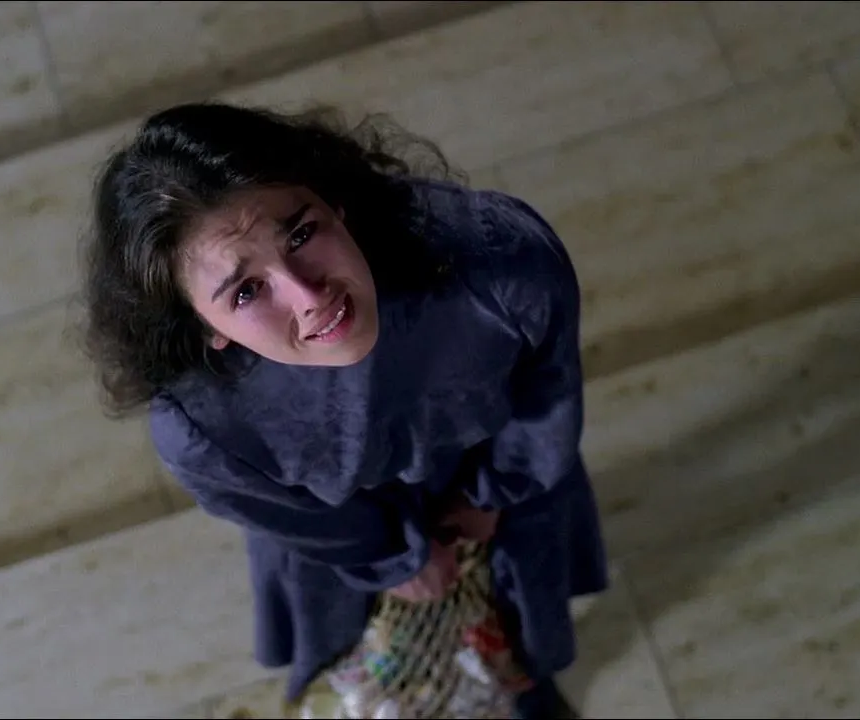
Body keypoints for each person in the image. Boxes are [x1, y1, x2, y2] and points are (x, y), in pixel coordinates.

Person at [79, 101, 609, 719]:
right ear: (205, 328)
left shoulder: (497, 263)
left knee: (523, 634)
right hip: (346, 535)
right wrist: (394, 559)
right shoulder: (200, 427)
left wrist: (492, 494)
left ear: (335, 202)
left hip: (501, 479)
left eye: (302, 234)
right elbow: (287, 513)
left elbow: (550, 389)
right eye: (246, 291)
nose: (310, 296)